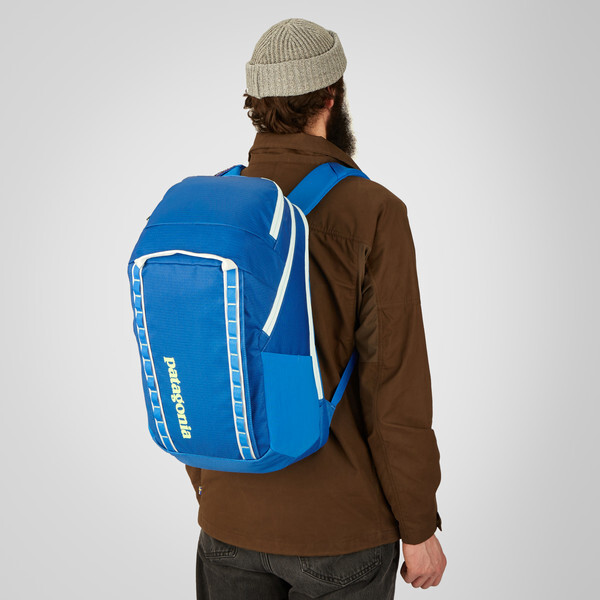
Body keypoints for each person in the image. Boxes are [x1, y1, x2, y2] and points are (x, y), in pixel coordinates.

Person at [186, 18, 446, 599]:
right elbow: (394, 385)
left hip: (226, 521)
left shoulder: (213, 203)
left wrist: (213, 486)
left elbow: (200, 358)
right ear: (332, 96)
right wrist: (418, 525)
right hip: (340, 533)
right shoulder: (372, 211)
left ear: (256, 102)